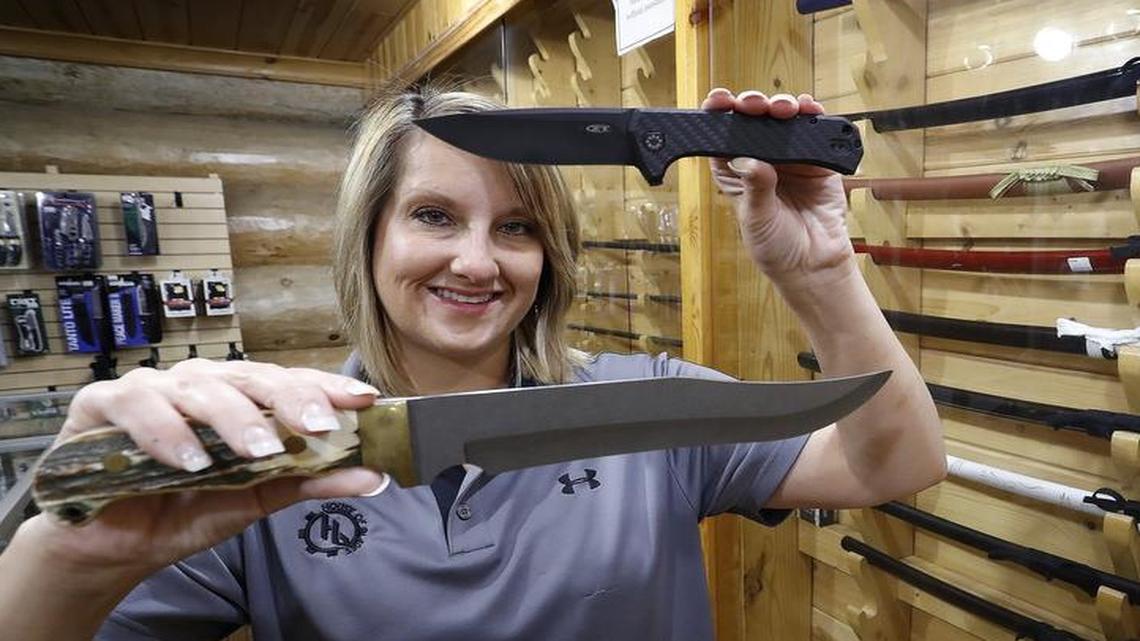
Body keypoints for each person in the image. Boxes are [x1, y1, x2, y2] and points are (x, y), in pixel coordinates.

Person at [0, 84, 945, 640]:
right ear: (367, 239)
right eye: (434, 216)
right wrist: (73, 553)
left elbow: (893, 463)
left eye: (519, 227)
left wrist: (817, 268)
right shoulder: (271, 455)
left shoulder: (653, 406)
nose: (478, 261)